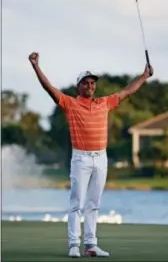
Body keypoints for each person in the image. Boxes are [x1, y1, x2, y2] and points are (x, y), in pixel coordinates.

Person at [28, 52, 153, 258]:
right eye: (85, 83)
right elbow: (48, 88)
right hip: (81, 158)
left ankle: (91, 245)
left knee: (94, 204)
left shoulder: (104, 102)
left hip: (101, 158)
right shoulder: (70, 104)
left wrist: (144, 76)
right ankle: (73, 245)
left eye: (92, 83)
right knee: (77, 203)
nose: (90, 86)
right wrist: (35, 66)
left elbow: (126, 92)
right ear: (79, 86)